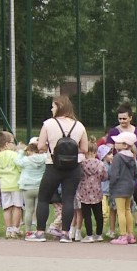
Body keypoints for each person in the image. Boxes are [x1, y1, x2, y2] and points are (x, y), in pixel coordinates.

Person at [31, 96, 89, 242]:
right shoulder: (79, 125)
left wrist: (52, 147)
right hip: (73, 167)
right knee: (68, 199)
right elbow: (84, 149)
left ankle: (39, 232)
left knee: (44, 198)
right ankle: (65, 233)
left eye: (53, 106)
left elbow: (40, 146)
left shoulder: (48, 124)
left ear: (60, 107)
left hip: (53, 165)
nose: (51, 109)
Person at [105, 103, 137, 229]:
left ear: (130, 118)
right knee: (119, 200)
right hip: (119, 167)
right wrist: (109, 158)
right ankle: (119, 225)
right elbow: (107, 150)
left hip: (133, 166)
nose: (122, 121)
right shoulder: (114, 132)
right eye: (120, 119)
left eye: (124, 118)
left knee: (136, 195)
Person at [109, 131, 137, 245]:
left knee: (120, 211)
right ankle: (130, 234)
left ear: (125, 145)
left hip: (118, 188)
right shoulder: (132, 157)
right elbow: (136, 173)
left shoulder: (117, 157)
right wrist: (131, 182)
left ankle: (122, 235)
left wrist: (112, 185)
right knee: (127, 210)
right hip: (129, 187)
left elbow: (114, 174)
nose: (115, 143)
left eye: (118, 142)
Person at [0, 131, 23, 240]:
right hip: (15, 184)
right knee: (17, 206)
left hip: (4, 185)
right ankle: (15, 228)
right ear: (6, 144)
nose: (13, 144)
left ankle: (8, 229)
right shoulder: (14, 155)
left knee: (7, 208)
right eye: (12, 142)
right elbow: (20, 167)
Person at [15, 138, 47, 238]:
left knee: (29, 210)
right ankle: (40, 230)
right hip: (39, 187)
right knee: (39, 210)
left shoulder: (25, 160)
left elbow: (16, 161)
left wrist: (21, 151)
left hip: (27, 187)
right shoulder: (44, 158)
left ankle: (28, 231)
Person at [75, 142, 107, 242]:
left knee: (87, 215)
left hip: (84, 192)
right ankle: (99, 234)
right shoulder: (100, 164)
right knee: (98, 215)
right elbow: (104, 177)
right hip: (97, 191)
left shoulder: (82, 164)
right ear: (95, 152)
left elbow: (78, 176)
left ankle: (89, 235)